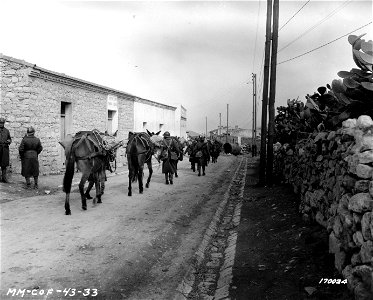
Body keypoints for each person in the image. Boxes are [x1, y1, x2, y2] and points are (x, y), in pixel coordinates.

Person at [0, 117, 12, 183]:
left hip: (4, 148)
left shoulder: (6, 131)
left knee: (4, 164)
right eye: (0, 123)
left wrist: (9, 141)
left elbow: (9, 139)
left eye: (2, 123)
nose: (1, 124)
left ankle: (4, 178)